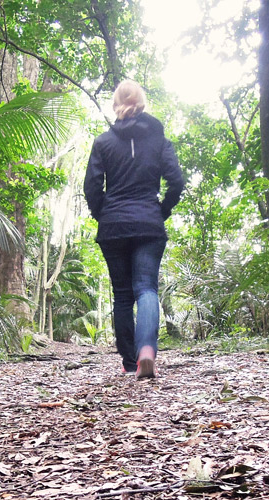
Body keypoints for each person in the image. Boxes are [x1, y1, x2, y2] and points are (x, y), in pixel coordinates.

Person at [84, 80, 184, 379]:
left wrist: (105, 214)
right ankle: (146, 353)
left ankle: (130, 364)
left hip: (113, 225)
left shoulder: (103, 142)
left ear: (116, 104)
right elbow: (176, 181)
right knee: (147, 288)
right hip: (148, 223)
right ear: (142, 103)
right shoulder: (159, 141)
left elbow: (91, 187)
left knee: (124, 294)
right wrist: (161, 210)